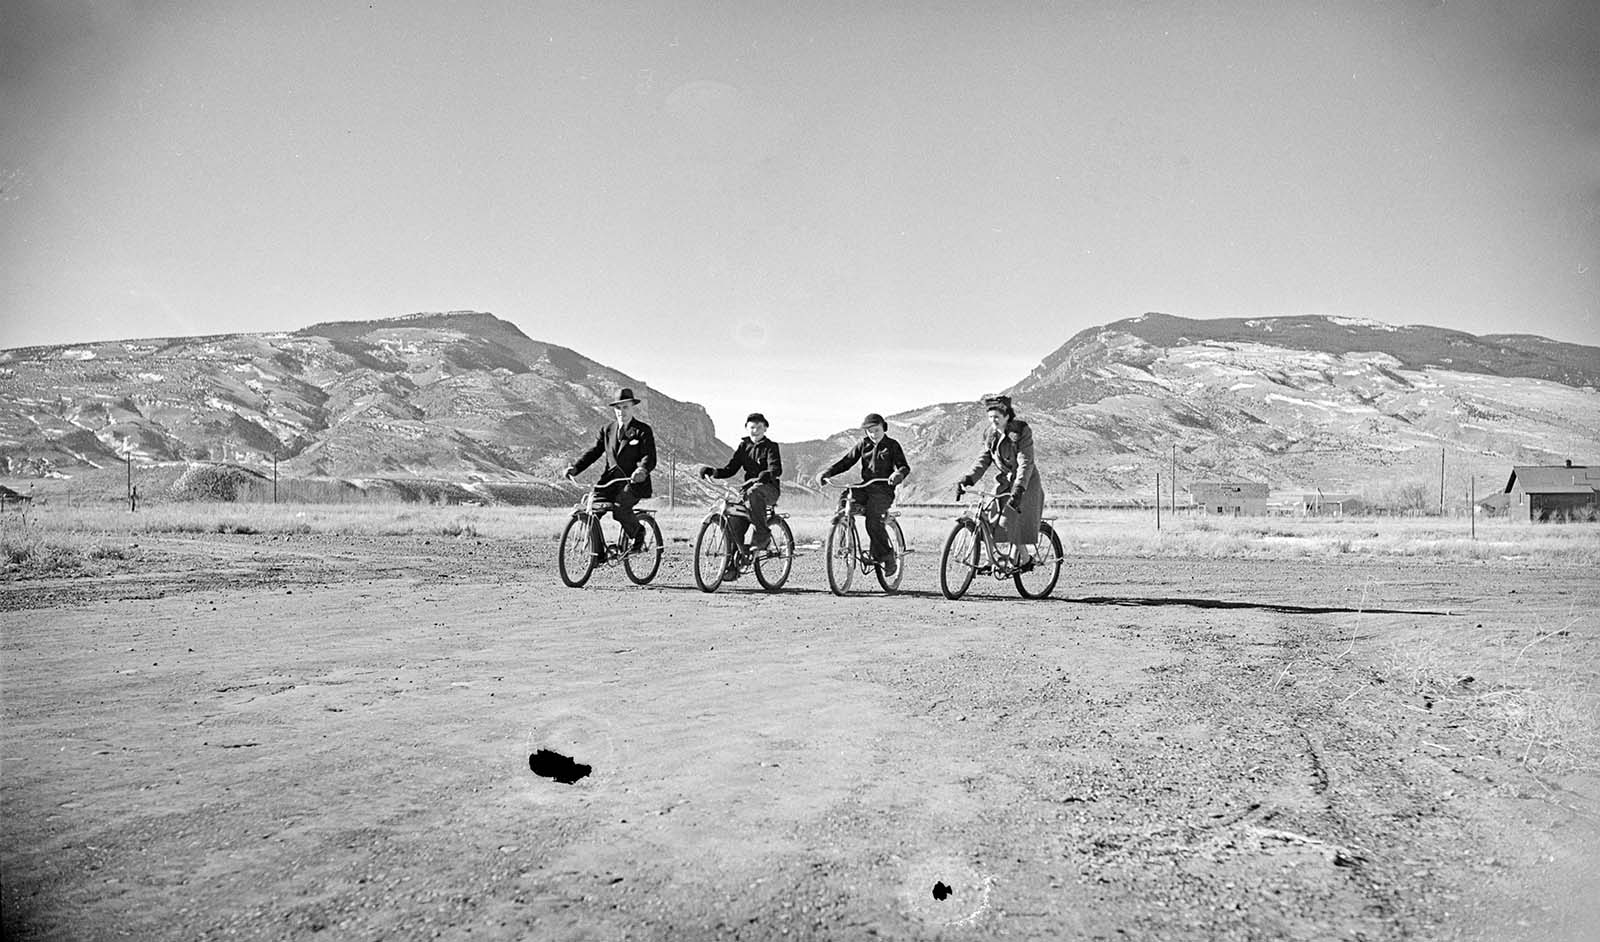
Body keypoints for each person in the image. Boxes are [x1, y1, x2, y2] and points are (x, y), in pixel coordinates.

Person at [814, 413, 910, 575]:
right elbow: (846, 462)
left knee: (873, 520)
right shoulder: (863, 444)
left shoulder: (892, 445)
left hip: (883, 490)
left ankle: (887, 556)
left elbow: (904, 466)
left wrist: (898, 475)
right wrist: (828, 473)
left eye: (877, 430)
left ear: (883, 428)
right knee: (845, 499)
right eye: (870, 431)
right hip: (866, 487)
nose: (873, 434)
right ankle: (845, 537)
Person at [565, 388, 656, 556]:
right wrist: (576, 468)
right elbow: (594, 452)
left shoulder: (643, 430)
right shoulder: (608, 429)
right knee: (592, 509)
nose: (622, 412)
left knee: (620, 509)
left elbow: (649, 456)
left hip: (633, 482)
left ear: (632, 407)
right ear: (614, 409)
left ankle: (638, 533)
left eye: (626, 407)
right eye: (618, 408)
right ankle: (598, 554)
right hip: (610, 482)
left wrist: (641, 470)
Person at [958, 394, 1046, 569]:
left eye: (996, 417)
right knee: (993, 521)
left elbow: (1025, 462)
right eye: (990, 417)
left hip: (1025, 483)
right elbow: (983, 460)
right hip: (1005, 483)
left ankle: (1025, 558)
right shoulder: (991, 435)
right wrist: (968, 479)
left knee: (1012, 521)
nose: (993, 421)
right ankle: (991, 560)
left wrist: (1019, 488)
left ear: (1007, 416)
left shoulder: (1020, 432)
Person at [700, 413, 782, 554]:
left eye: (759, 427)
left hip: (768, 489)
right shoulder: (744, 447)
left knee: (753, 493)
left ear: (765, 429)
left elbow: (776, 469)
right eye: (752, 427)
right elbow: (730, 469)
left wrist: (767, 474)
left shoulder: (771, 447)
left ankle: (762, 537)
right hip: (749, 491)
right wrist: (713, 472)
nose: (755, 430)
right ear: (746, 428)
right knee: (734, 521)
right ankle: (733, 562)